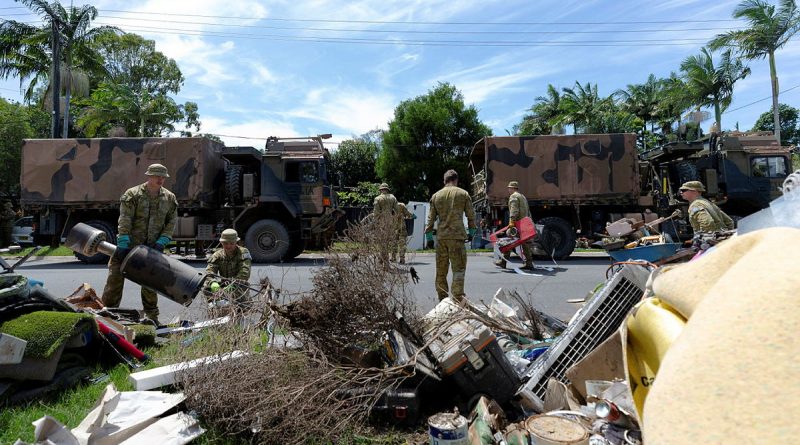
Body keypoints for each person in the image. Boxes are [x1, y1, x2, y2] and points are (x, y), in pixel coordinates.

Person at [102, 163, 178, 325]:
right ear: (149, 176)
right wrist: (123, 241)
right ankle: (107, 316)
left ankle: (151, 318)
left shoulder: (169, 198)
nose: (161, 179)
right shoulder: (133, 194)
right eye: (157, 176)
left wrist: (163, 240)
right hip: (128, 246)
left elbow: (171, 221)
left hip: (152, 248)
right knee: (114, 279)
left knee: (150, 284)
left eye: (163, 177)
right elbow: (125, 219)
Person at [425, 170, 477, 301]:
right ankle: (457, 298)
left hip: (442, 238)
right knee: (458, 269)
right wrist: (471, 233)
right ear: (456, 180)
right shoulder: (463, 194)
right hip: (457, 237)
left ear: (445, 180)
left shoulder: (436, 196)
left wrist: (429, 237)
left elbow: (430, 219)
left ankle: (442, 298)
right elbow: (471, 216)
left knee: (441, 270)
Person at [205, 228, 252, 302]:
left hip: (238, 284)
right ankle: (216, 309)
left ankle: (241, 308)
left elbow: (244, 273)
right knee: (207, 288)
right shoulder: (217, 255)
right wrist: (213, 282)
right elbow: (209, 272)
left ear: (236, 242)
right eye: (225, 243)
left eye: (231, 243)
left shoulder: (243, 253)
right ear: (221, 243)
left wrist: (233, 284)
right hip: (224, 285)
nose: (228, 246)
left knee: (241, 288)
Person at [496, 181, 535, 270]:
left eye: (509, 188)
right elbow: (528, 211)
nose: (508, 189)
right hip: (524, 222)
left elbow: (514, 210)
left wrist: (512, 222)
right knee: (524, 243)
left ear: (513, 188)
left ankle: (503, 262)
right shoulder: (522, 197)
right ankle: (529, 263)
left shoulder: (513, 196)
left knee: (509, 241)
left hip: (517, 223)